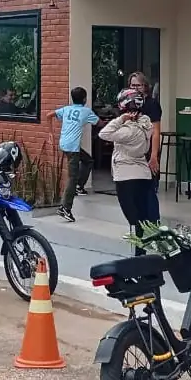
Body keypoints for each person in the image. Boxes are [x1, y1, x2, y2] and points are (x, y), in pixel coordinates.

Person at [97, 89, 157, 256]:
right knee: (143, 217)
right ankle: (142, 254)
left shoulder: (128, 131)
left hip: (126, 176)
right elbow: (143, 120)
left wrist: (120, 120)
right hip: (143, 174)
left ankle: (137, 257)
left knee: (134, 220)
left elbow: (104, 133)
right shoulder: (147, 123)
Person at [51, 86, 98, 222]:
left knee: (88, 160)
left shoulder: (66, 109)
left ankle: (79, 186)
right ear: (84, 99)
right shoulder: (85, 111)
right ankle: (65, 207)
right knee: (72, 177)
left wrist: (49, 132)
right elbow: (98, 123)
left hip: (65, 144)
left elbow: (49, 115)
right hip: (73, 147)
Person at [128, 72, 163, 223]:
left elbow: (156, 131)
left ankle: (154, 222)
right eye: (133, 85)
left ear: (145, 86)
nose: (136, 89)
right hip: (133, 151)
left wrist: (154, 155)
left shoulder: (151, 103)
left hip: (148, 150)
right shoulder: (128, 103)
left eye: (138, 85)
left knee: (149, 188)